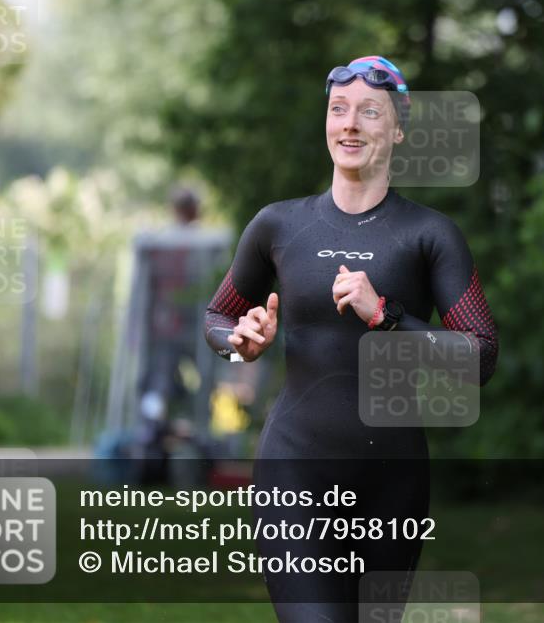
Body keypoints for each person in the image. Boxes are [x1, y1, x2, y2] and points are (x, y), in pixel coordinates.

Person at [203, 56, 499, 622]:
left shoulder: (430, 235)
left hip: (392, 482)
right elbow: (218, 316)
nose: (350, 124)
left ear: (399, 129)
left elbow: (480, 356)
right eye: (339, 109)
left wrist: (387, 316)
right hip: (294, 469)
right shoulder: (278, 226)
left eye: (369, 112)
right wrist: (237, 341)